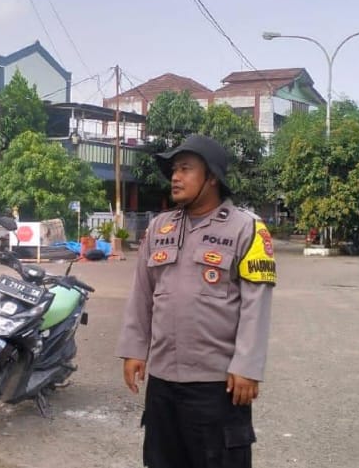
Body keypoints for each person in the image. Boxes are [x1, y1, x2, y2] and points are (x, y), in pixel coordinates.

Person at [116, 133, 277, 468]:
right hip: (163, 383)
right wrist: (134, 349)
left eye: (185, 168)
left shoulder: (247, 229)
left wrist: (247, 367)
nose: (175, 177)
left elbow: (256, 304)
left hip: (217, 385)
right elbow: (142, 292)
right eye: (174, 169)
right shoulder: (159, 227)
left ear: (212, 177)